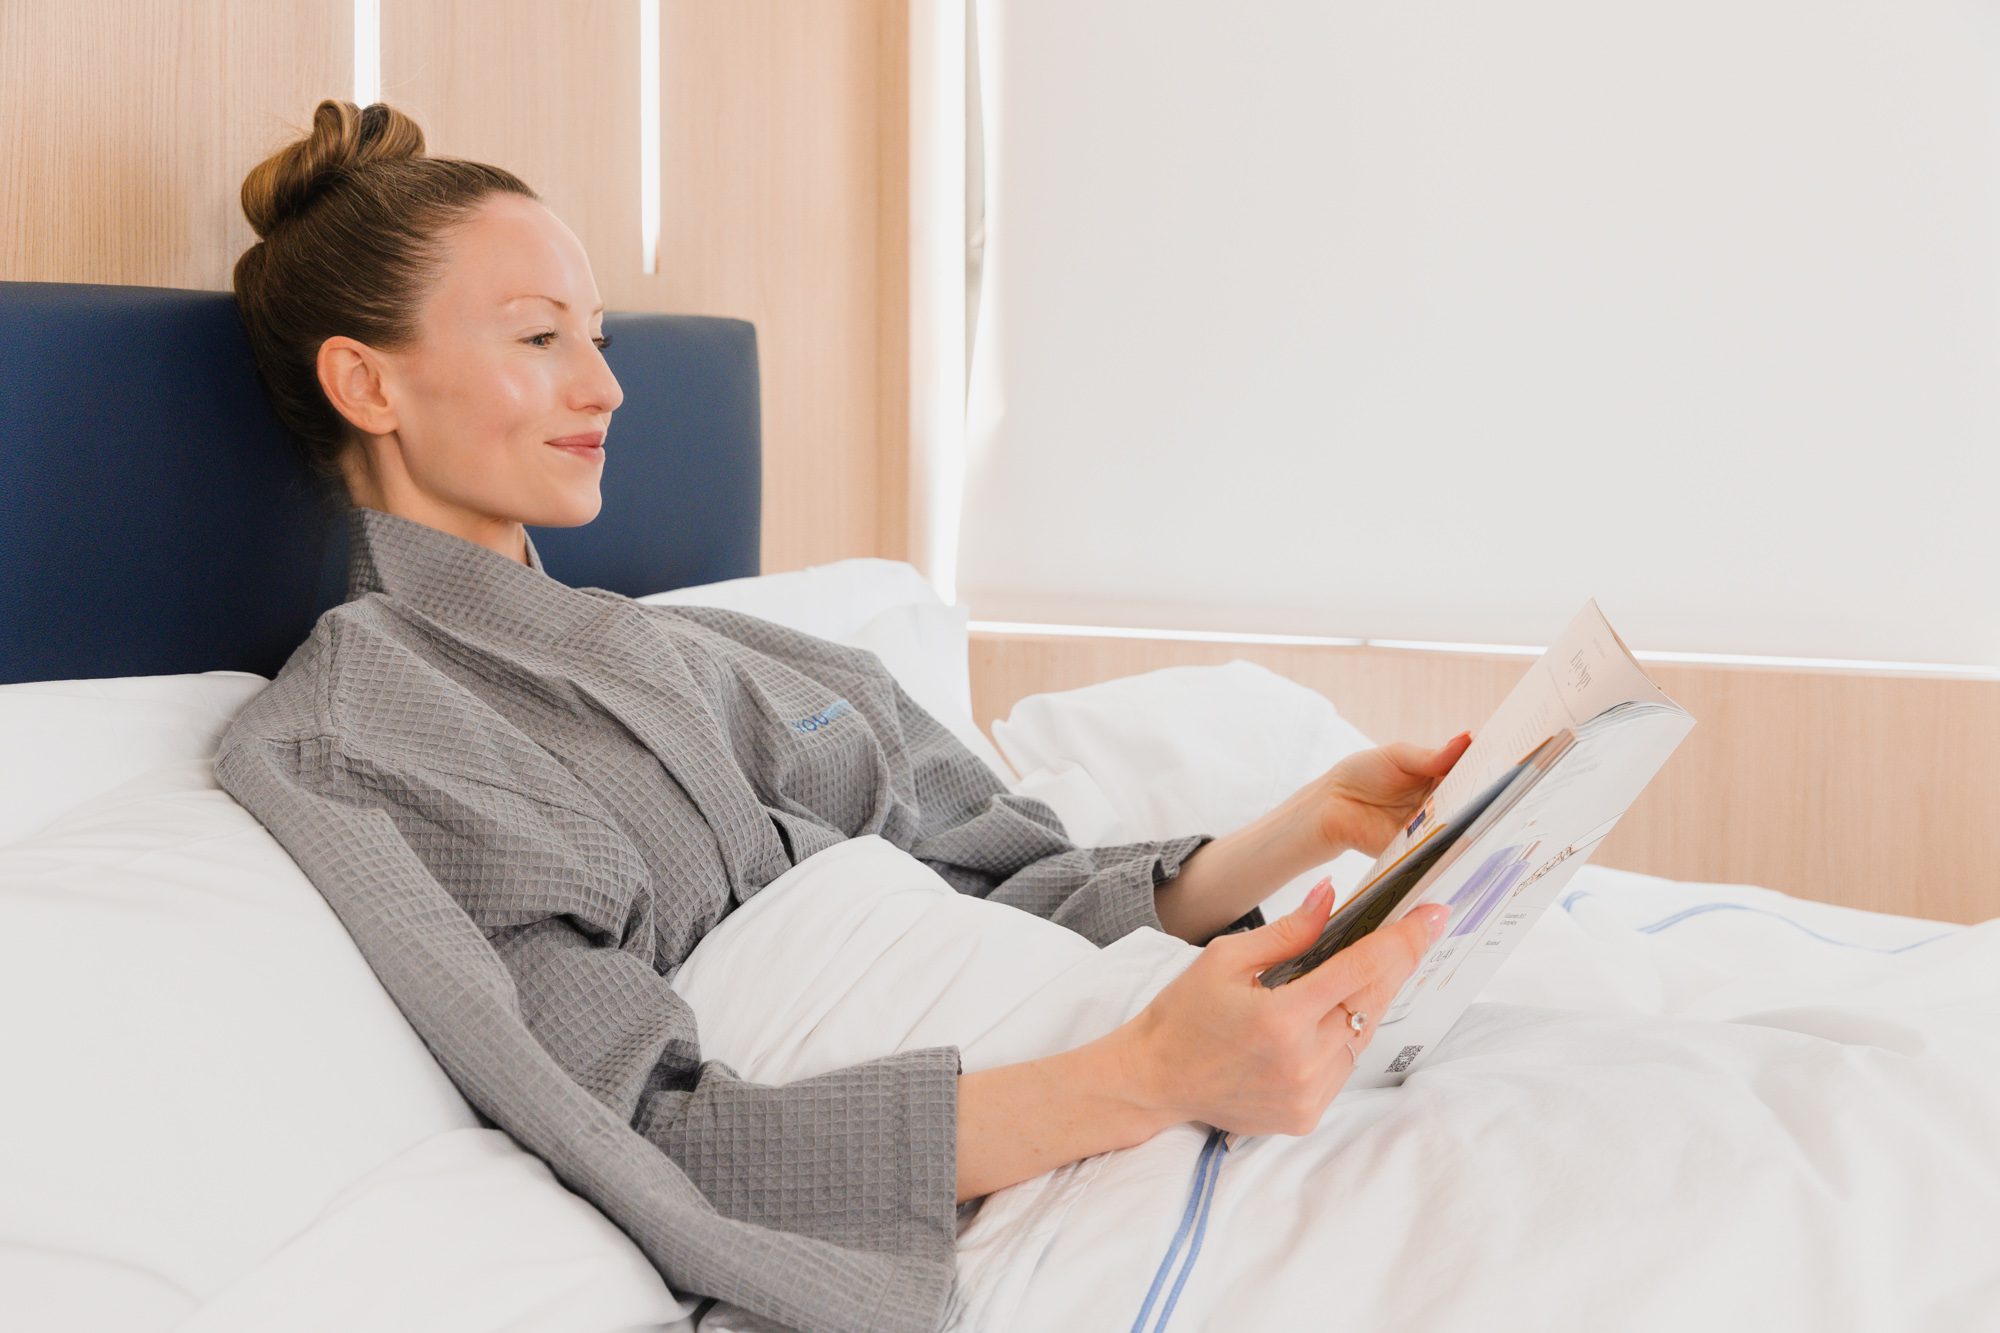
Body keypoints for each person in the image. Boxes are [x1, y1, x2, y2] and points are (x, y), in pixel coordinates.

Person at [218, 98, 1470, 1332]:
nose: (603, 384)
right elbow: (645, 1128)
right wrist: (1147, 1074)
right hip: (1019, 1151)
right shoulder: (359, 730)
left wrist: (1307, 829)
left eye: (598, 336)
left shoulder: (715, 650)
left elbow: (1011, 876)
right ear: (365, 383)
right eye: (539, 338)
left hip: (1125, 1055)